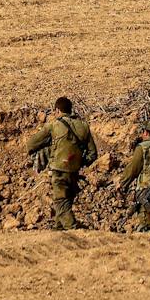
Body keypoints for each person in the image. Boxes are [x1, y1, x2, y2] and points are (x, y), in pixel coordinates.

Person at [24, 96, 96, 230]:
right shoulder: (84, 126)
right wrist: (80, 162)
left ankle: (74, 229)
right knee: (66, 200)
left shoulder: (54, 125)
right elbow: (93, 154)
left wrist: (45, 151)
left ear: (57, 110)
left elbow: (31, 144)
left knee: (60, 201)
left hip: (59, 169)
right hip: (74, 171)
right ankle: (58, 229)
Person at [117, 114, 150, 232]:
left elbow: (133, 169)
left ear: (146, 133)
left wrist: (122, 184)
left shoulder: (143, 147)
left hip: (148, 193)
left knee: (146, 226)